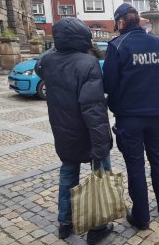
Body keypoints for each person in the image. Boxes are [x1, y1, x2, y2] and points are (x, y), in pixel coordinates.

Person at [35, 17, 113, 243]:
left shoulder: (48, 62)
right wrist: (101, 144)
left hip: (63, 130)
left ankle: (64, 222)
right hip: (88, 133)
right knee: (100, 176)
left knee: (68, 174)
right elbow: (93, 108)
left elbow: (40, 68)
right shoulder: (88, 64)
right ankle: (97, 225)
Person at [102, 3, 159, 230]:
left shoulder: (117, 45)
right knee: (158, 160)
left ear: (121, 23)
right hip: (157, 116)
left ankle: (141, 218)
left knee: (135, 166)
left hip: (130, 117)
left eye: (117, 23)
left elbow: (109, 83)